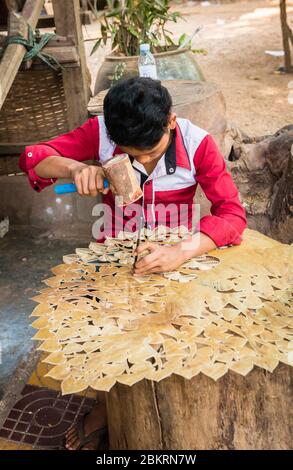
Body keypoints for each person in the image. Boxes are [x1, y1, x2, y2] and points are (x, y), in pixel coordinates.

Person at [19, 77, 247, 449]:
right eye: (132, 154)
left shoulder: (198, 144)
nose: (143, 162)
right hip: (116, 253)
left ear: (170, 121)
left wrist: (183, 251)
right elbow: (33, 158)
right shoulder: (102, 134)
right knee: (107, 336)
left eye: (152, 152)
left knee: (180, 336)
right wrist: (76, 169)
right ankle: (109, 407)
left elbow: (233, 214)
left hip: (178, 251)